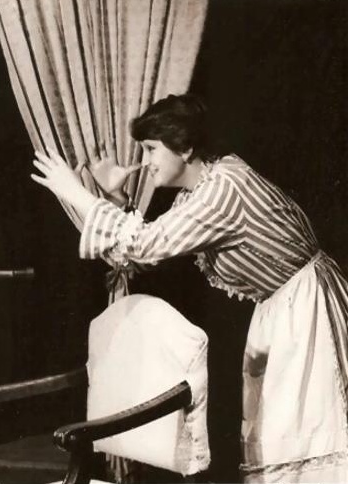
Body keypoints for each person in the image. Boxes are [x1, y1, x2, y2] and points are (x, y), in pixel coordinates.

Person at [31, 94, 348, 482]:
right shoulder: (197, 193)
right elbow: (141, 255)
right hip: (282, 310)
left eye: (152, 149)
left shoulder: (225, 187)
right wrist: (117, 198)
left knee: (312, 432)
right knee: (285, 437)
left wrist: (73, 191)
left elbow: (144, 244)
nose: (146, 161)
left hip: (306, 310)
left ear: (185, 148)